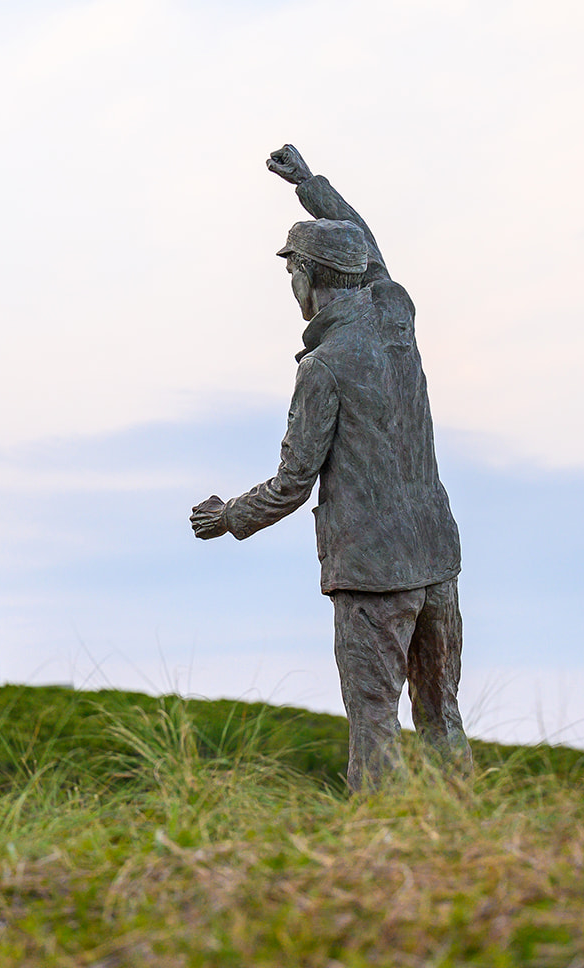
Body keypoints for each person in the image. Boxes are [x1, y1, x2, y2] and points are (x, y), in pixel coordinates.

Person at [190, 147, 474, 792]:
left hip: (374, 573)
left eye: (292, 272)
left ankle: (379, 847)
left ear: (308, 277)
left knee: (373, 719)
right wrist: (309, 185)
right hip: (437, 558)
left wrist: (230, 516)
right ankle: (464, 834)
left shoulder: (323, 368)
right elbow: (367, 247)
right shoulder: (395, 322)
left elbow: (293, 481)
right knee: (442, 714)